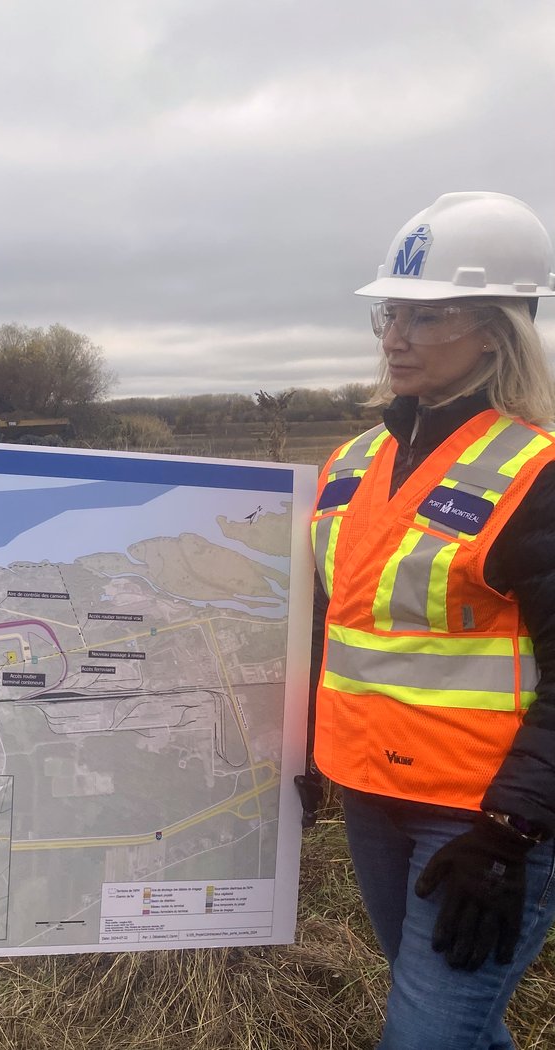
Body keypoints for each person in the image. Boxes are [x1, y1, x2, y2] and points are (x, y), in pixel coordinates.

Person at [309, 191, 555, 1049]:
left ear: (494, 330)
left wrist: (510, 832)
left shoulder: (537, 475)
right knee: (460, 1030)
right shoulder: (352, 463)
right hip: (372, 799)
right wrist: (306, 753)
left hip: (480, 819)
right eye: (391, 313)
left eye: (427, 315)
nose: (395, 337)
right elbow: (335, 627)